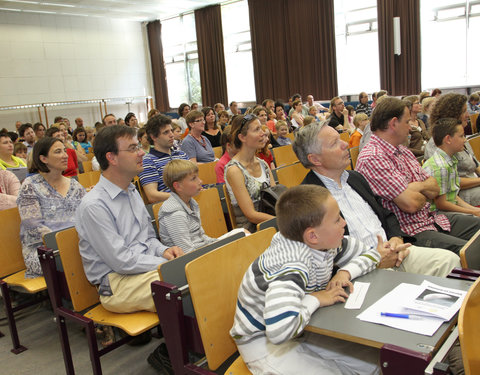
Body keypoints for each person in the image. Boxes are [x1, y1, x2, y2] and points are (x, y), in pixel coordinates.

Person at [231, 184, 381, 375]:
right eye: (336, 220)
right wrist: (317, 298)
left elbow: (372, 255)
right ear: (312, 235)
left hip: (305, 325)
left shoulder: (326, 242)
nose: (344, 223)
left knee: (374, 365)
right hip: (265, 343)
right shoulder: (290, 266)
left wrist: (345, 272)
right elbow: (279, 331)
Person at [294, 122, 460, 277]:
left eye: (340, 139)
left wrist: (396, 238)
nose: (345, 144)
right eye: (334, 143)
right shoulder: (307, 200)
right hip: (359, 271)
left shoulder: (355, 178)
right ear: (315, 159)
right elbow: (320, 260)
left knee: (450, 261)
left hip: (394, 251)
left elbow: (386, 213)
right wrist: (373, 261)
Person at [76, 125, 183, 314]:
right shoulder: (94, 205)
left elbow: (148, 239)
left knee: (194, 273)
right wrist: (165, 264)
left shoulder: (132, 191)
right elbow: (121, 261)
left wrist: (164, 250)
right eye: (133, 148)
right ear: (112, 157)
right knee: (184, 282)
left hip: (141, 269)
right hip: (117, 283)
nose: (142, 152)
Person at [356, 97, 480, 253]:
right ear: (394, 123)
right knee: (472, 251)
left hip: (432, 219)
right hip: (412, 232)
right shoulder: (373, 157)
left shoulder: (402, 150)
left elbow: (434, 188)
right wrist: (421, 188)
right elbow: (412, 204)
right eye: (407, 122)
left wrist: (414, 187)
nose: (410, 128)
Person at [17, 137, 86, 277]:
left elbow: (87, 216)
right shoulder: (30, 186)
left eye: (65, 151)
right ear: (43, 158)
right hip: (43, 251)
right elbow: (34, 226)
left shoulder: (75, 186)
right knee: (75, 260)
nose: (65, 155)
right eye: (58, 152)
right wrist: (64, 243)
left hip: (75, 244)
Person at [425, 93, 480, 206]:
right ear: (453, 114)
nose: (468, 115)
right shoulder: (438, 143)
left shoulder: (460, 137)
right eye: (464, 111)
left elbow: (476, 165)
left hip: (473, 185)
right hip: (460, 194)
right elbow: (449, 182)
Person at [225, 114, 276, 232]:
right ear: (242, 137)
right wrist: (282, 221)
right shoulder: (234, 170)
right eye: (257, 129)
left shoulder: (263, 164)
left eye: (261, 128)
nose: (263, 133)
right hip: (251, 232)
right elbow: (251, 215)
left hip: (271, 225)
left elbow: (275, 198)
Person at [158, 160, 217, 253]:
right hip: (193, 260)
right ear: (178, 186)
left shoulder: (191, 203)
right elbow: (187, 253)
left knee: (241, 233)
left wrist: (219, 243)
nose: (200, 181)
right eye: (194, 178)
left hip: (202, 251)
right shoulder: (175, 214)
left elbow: (201, 237)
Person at [138, 114, 189, 203]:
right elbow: (152, 195)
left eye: (171, 131)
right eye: (166, 132)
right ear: (154, 137)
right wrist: (183, 196)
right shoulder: (148, 161)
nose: (171, 135)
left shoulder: (181, 154)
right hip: (171, 207)